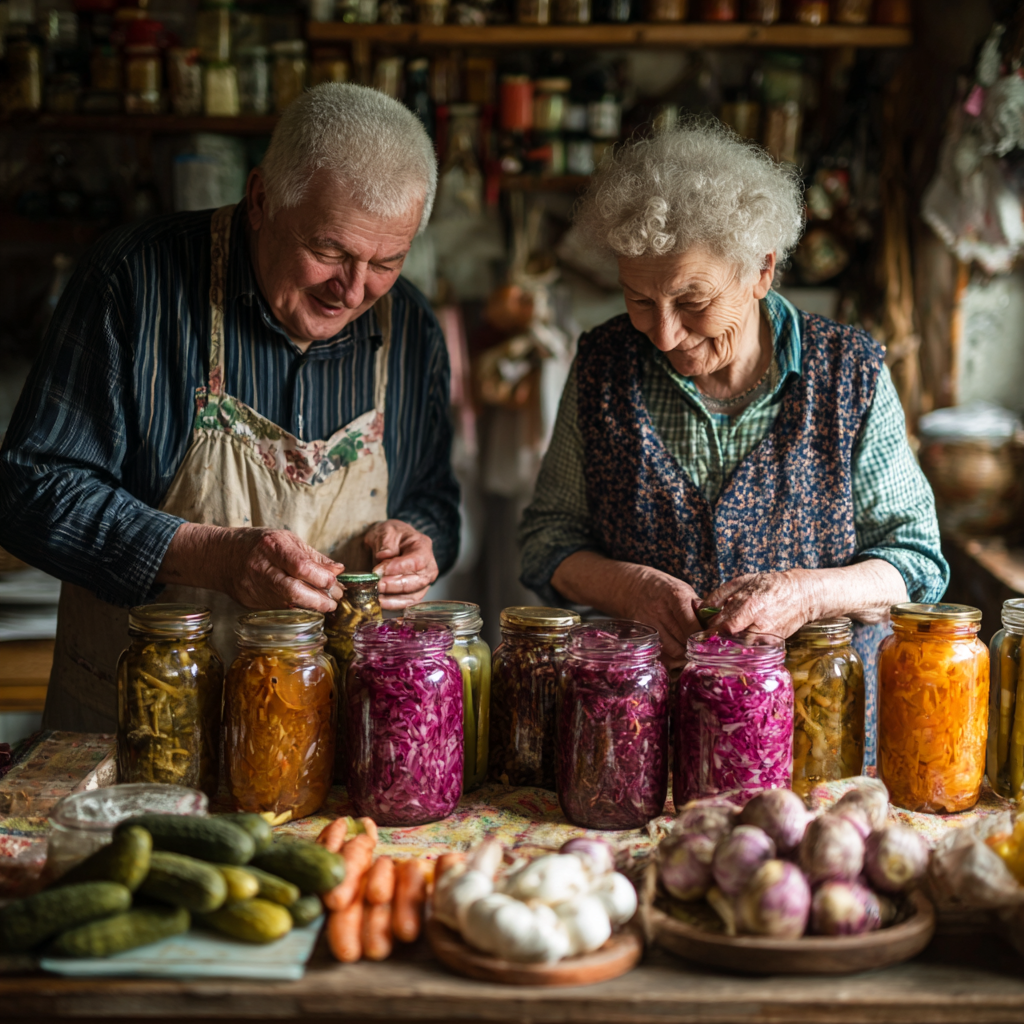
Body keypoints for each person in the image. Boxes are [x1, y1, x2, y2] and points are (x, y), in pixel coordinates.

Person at [0, 84, 460, 730]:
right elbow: (28, 490)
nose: (353, 290)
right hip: (133, 734)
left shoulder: (411, 330)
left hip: (316, 744)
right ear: (261, 199)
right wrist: (211, 556)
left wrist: (416, 539)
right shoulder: (132, 283)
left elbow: (434, 499)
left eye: (386, 260)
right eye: (329, 251)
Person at [519, 122, 947, 760]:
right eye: (639, 299)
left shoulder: (848, 372)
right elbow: (546, 542)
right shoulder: (603, 364)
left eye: (692, 299)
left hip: (813, 736)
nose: (663, 333)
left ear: (761, 271)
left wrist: (806, 594)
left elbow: (916, 561)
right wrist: (629, 589)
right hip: (635, 737)